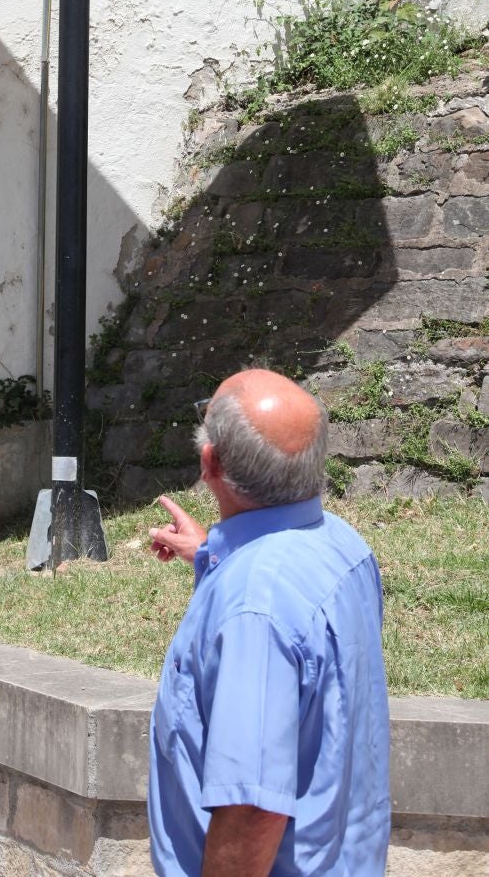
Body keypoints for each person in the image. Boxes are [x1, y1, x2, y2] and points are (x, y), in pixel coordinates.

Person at [146, 368, 389, 877]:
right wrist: (212, 553)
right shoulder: (344, 546)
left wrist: (240, 577)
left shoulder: (255, 609)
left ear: (210, 463)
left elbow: (253, 809)